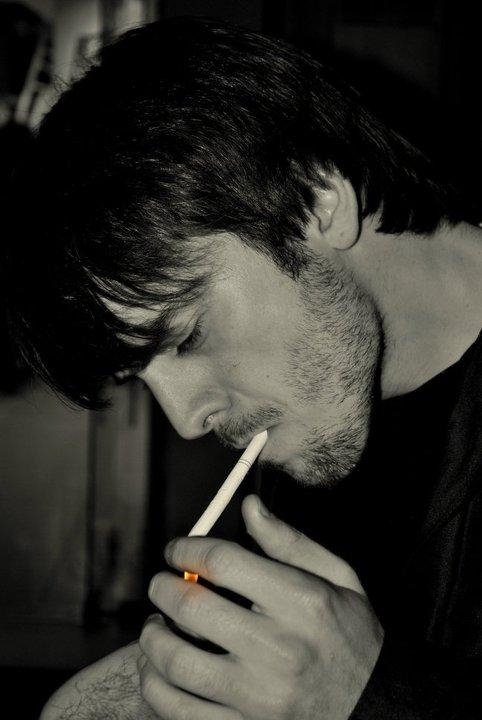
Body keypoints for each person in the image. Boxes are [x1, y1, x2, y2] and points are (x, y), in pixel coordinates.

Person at [5, 16, 482, 720]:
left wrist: (372, 696)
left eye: (190, 333)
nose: (187, 420)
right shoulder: (313, 426)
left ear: (316, 199)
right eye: (141, 375)